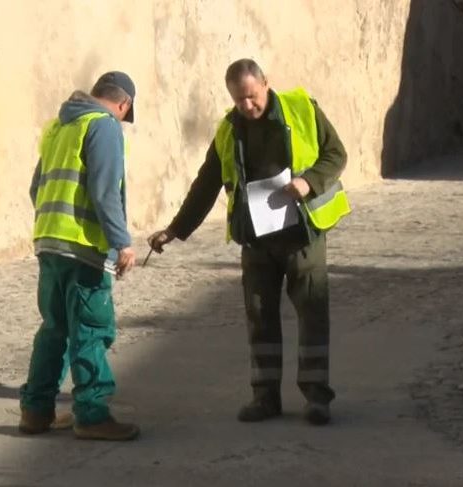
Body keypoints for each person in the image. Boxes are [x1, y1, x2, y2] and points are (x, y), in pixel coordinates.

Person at [148, 59, 350, 425]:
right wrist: (175, 229)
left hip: (301, 233)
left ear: (266, 85)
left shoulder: (302, 109)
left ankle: (317, 398)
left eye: (252, 97)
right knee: (260, 316)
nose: (247, 106)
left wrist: (309, 182)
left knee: (312, 315)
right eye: (239, 99)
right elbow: (207, 182)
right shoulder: (228, 129)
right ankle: (265, 397)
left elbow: (336, 154)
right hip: (256, 238)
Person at [19, 71, 140, 441]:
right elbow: (104, 191)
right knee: (90, 329)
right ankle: (90, 413)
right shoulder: (104, 126)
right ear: (124, 104)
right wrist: (122, 242)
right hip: (83, 247)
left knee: (54, 328)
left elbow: (35, 187)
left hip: (49, 241)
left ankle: (35, 411)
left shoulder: (60, 126)